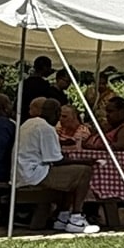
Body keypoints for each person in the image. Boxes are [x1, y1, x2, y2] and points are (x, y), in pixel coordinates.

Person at [11, 98, 101, 233]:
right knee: (84, 171)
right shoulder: (46, 128)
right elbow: (56, 160)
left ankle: (62, 217)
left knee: (71, 175)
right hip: (34, 175)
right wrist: (85, 161)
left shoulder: (28, 123)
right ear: (56, 113)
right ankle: (76, 218)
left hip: (22, 173)